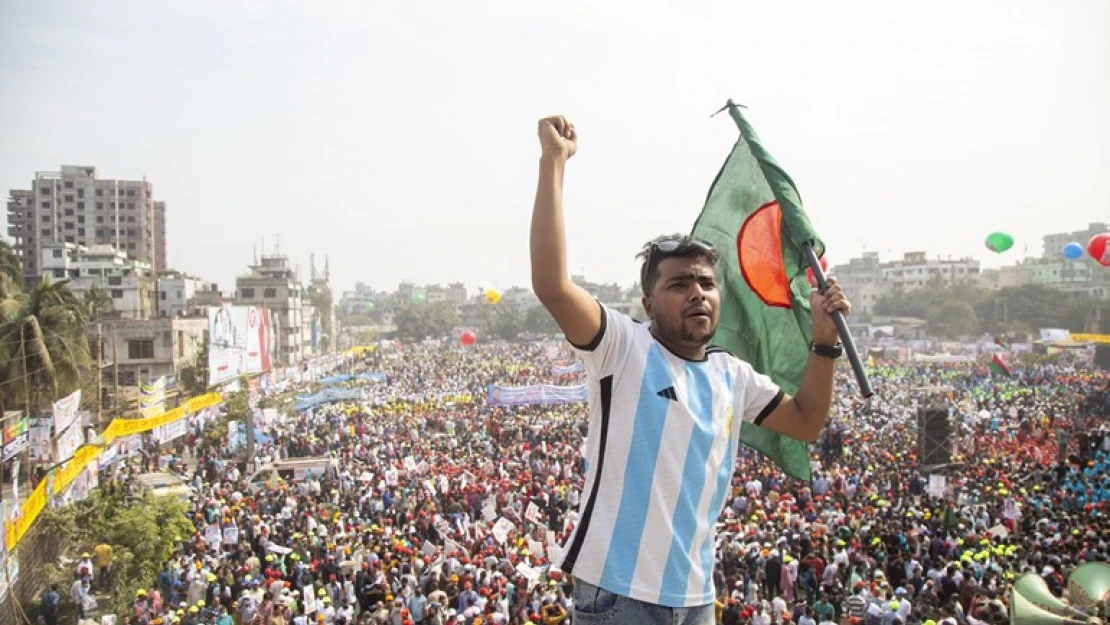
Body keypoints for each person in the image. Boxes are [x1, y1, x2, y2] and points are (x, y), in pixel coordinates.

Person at [529, 115, 851, 624]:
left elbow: (807, 421)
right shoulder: (622, 347)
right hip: (619, 594)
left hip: (697, 597)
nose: (697, 292)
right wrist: (554, 163)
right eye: (679, 284)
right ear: (647, 302)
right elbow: (551, 284)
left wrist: (824, 343)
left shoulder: (732, 375)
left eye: (705, 282)